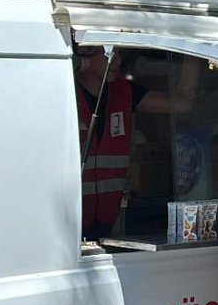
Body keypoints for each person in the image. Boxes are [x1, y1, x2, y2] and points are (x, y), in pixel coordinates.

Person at [75, 43, 199, 240]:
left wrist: (193, 51)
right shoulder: (63, 95)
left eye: (119, 52)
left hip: (106, 223)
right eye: (109, 51)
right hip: (67, 222)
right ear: (84, 52)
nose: (116, 59)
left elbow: (182, 104)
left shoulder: (124, 92)